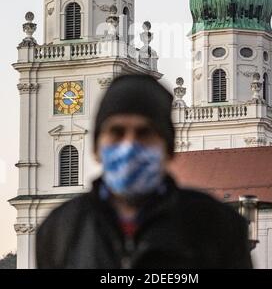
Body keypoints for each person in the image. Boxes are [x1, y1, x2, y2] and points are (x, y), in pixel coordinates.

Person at [36, 74, 252, 269]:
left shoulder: (217, 224)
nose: (129, 144)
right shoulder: (60, 228)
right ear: (95, 148)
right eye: (116, 132)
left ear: (168, 148)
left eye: (144, 133)